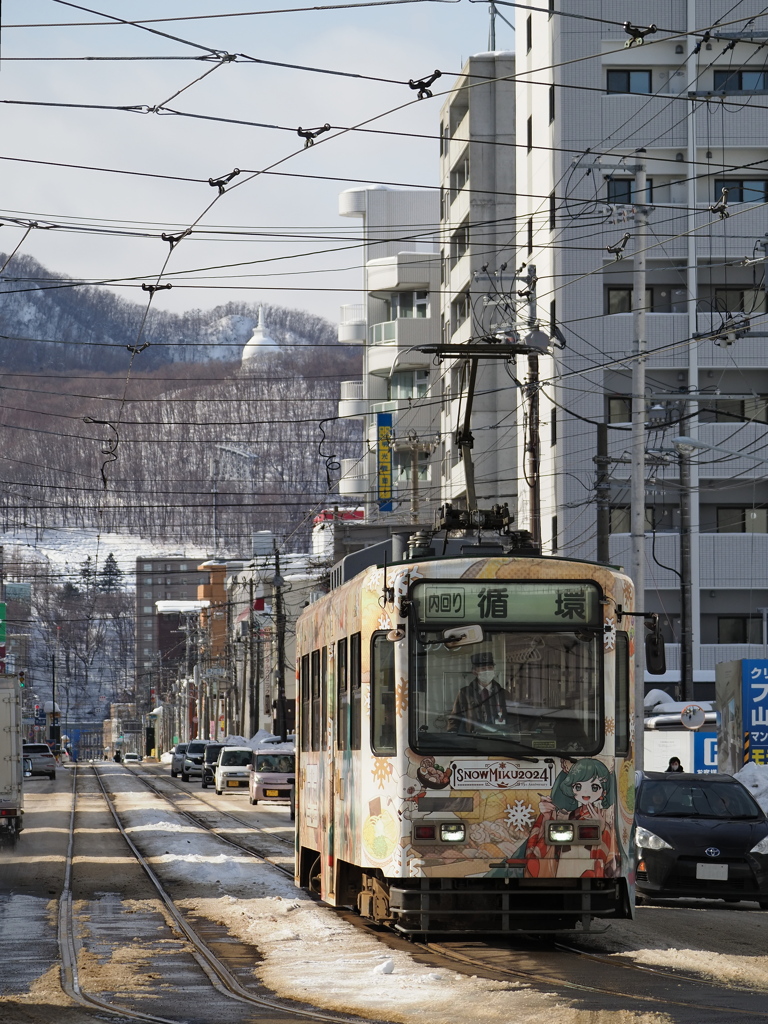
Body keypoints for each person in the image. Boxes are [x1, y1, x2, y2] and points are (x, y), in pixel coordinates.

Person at [447, 651, 507, 733]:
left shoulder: (503, 693)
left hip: (498, 739)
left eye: (490, 668)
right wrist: (452, 735)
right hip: (472, 739)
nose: (487, 671)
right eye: (483, 669)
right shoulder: (465, 693)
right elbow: (454, 719)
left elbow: (514, 719)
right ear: (474, 671)